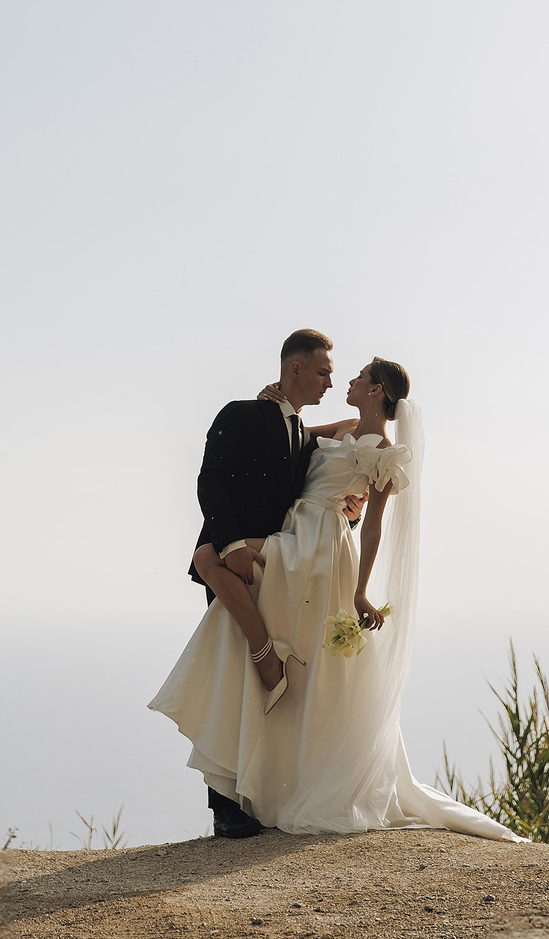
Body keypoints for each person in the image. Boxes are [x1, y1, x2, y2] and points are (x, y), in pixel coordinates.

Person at [150, 353, 521, 841]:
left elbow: (373, 528)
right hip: (296, 528)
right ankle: (265, 725)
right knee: (243, 601)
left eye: (359, 376)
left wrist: (362, 588)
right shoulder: (344, 425)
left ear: (377, 391)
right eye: (332, 371)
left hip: (320, 548)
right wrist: (276, 397)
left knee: (212, 563)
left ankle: (264, 667)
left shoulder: (385, 452)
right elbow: (296, 438)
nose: (346, 378)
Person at [178, 328, 333, 839]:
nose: (330, 380)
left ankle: (247, 795)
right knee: (230, 674)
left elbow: (352, 427)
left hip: (273, 566)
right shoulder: (241, 413)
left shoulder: (301, 434)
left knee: (254, 677)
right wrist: (230, 547)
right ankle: (224, 807)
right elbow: (211, 480)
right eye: (323, 371)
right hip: (230, 563)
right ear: (295, 369)